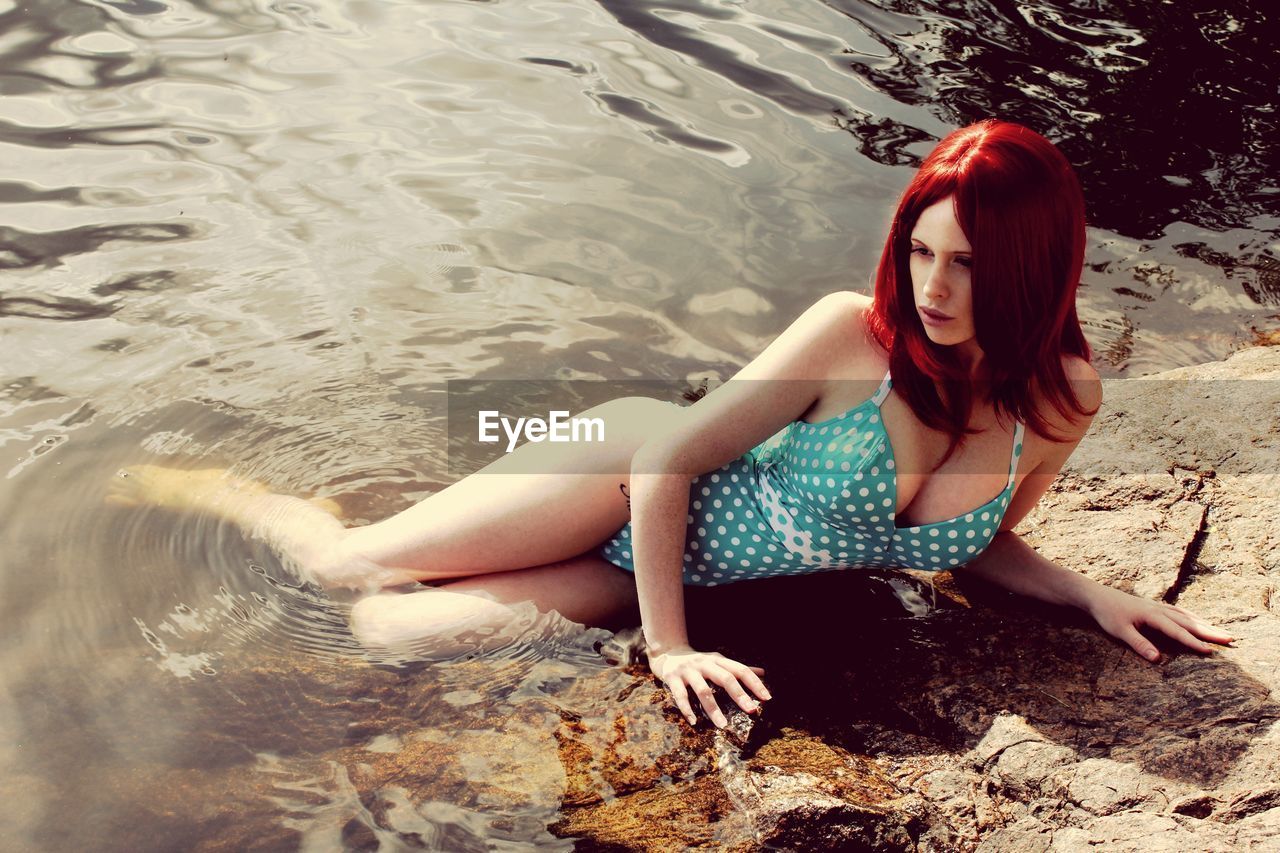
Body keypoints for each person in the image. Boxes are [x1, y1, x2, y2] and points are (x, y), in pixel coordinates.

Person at [109, 119, 1234, 731]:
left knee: (389, 638)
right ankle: (217, 490)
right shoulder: (853, 337)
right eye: (919, 250)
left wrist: (1090, 597)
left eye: (967, 266)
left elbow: (972, 550)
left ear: (1034, 270)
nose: (931, 287)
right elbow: (663, 457)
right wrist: (669, 648)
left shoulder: (1058, 401)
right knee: (343, 571)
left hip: (692, 573)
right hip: (625, 477)